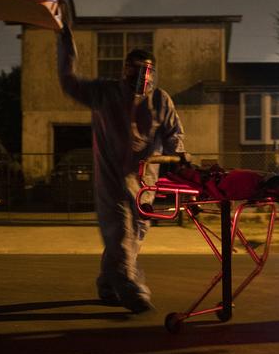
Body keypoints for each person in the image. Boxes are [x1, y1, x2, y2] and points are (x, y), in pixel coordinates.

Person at [56, 19, 186, 314]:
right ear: (124, 68)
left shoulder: (160, 100)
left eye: (146, 69)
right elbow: (69, 81)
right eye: (134, 67)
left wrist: (179, 161)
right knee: (119, 232)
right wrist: (65, 43)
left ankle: (106, 282)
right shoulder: (104, 93)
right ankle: (132, 289)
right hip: (112, 178)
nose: (140, 75)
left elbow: (174, 133)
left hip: (145, 183)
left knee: (136, 232)